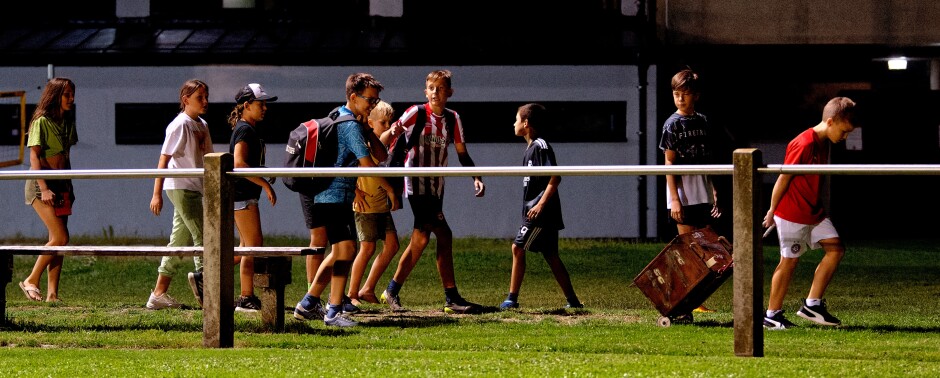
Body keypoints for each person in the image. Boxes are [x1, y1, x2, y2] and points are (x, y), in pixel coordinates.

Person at [293, 73, 398, 327]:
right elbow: (368, 165)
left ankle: (309, 303)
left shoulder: (341, 115)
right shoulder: (348, 125)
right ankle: (333, 311)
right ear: (353, 97)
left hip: (334, 195)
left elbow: (381, 153)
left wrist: (366, 128)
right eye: (369, 100)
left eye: (376, 100)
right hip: (334, 195)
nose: (373, 105)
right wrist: (391, 189)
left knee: (342, 250)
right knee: (347, 249)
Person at [381, 69, 486, 314]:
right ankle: (451, 297)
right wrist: (392, 132)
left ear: (449, 92)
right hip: (415, 183)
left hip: (437, 185)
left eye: (440, 88)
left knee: (420, 239)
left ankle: (392, 289)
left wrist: (476, 177)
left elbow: (462, 154)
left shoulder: (452, 118)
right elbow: (386, 139)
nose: (435, 93)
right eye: (431, 88)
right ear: (425, 91)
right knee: (444, 233)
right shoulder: (415, 113)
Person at [762, 96, 859, 330]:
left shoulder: (823, 142)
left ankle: (812, 304)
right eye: (844, 131)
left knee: (836, 249)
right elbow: (784, 176)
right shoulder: (803, 143)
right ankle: (771, 316)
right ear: (830, 121)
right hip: (792, 212)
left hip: (813, 212)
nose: (845, 137)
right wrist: (772, 210)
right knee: (789, 262)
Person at [498, 103, 582, 311]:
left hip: (541, 213)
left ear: (525, 124)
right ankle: (573, 301)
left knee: (517, 247)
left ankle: (511, 299)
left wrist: (541, 205)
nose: (514, 123)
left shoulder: (541, 146)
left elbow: (555, 176)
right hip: (536, 210)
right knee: (551, 255)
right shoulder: (530, 149)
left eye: (517, 120)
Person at [658, 68, 722, 314]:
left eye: (685, 94)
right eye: (676, 94)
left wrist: (714, 188)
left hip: (702, 188)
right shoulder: (672, 124)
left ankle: (694, 299)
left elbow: (709, 156)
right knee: (688, 247)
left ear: (696, 95)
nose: (680, 98)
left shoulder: (703, 121)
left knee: (702, 244)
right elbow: (669, 162)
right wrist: (674, 199)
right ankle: (687, 300)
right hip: (683, 192)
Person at [145, 79, 213, 310]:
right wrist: (156, 193)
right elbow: (164, 159)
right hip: (181, 187)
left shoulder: (201, 124)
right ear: (185, 100)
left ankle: (158, 294)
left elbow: (208, 159)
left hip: (194, 186)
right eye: (199, 98)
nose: (205, 101)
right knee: (203, 236)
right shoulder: (179, 125)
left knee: (178, 241)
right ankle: (208, 288)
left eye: (206, 97)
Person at [18, 77, 77, 303]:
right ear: (55, 96)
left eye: (72, 94)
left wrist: (69, 185)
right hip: (41, 185)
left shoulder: (67, 121)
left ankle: (52, 294)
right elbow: (34, 155)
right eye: (66, 95)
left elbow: (66, 155)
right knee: (61, 236)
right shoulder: (41, 121)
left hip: (61, 185)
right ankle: (31, 279)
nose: (71, 99)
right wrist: (43, 188)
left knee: (59, 240)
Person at [228, 83, 279, 312]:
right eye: (261, 104)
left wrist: (263, 171)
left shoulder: (248, 129)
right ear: (246, 105)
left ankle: (206, 273)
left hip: (244, 196)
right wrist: (265, 184)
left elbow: (247, 163)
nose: (265, 108)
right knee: (253, 246)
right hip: (242, 196)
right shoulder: (245, 130)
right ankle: (246, 298)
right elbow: (238, 164)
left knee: (244, 248)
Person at [346, 100, 402, 305]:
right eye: (383, 122)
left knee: (392, 245)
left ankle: (367, 288)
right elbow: (358, 167)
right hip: (366, 204)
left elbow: (386, 141)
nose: (387, 126)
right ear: (370, 123)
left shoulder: (378, 143)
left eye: (389, 122)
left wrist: (394, 130)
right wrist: (355, 191)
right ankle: (352, 293)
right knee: (367, 248)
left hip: (380, 204)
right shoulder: (363, 143)